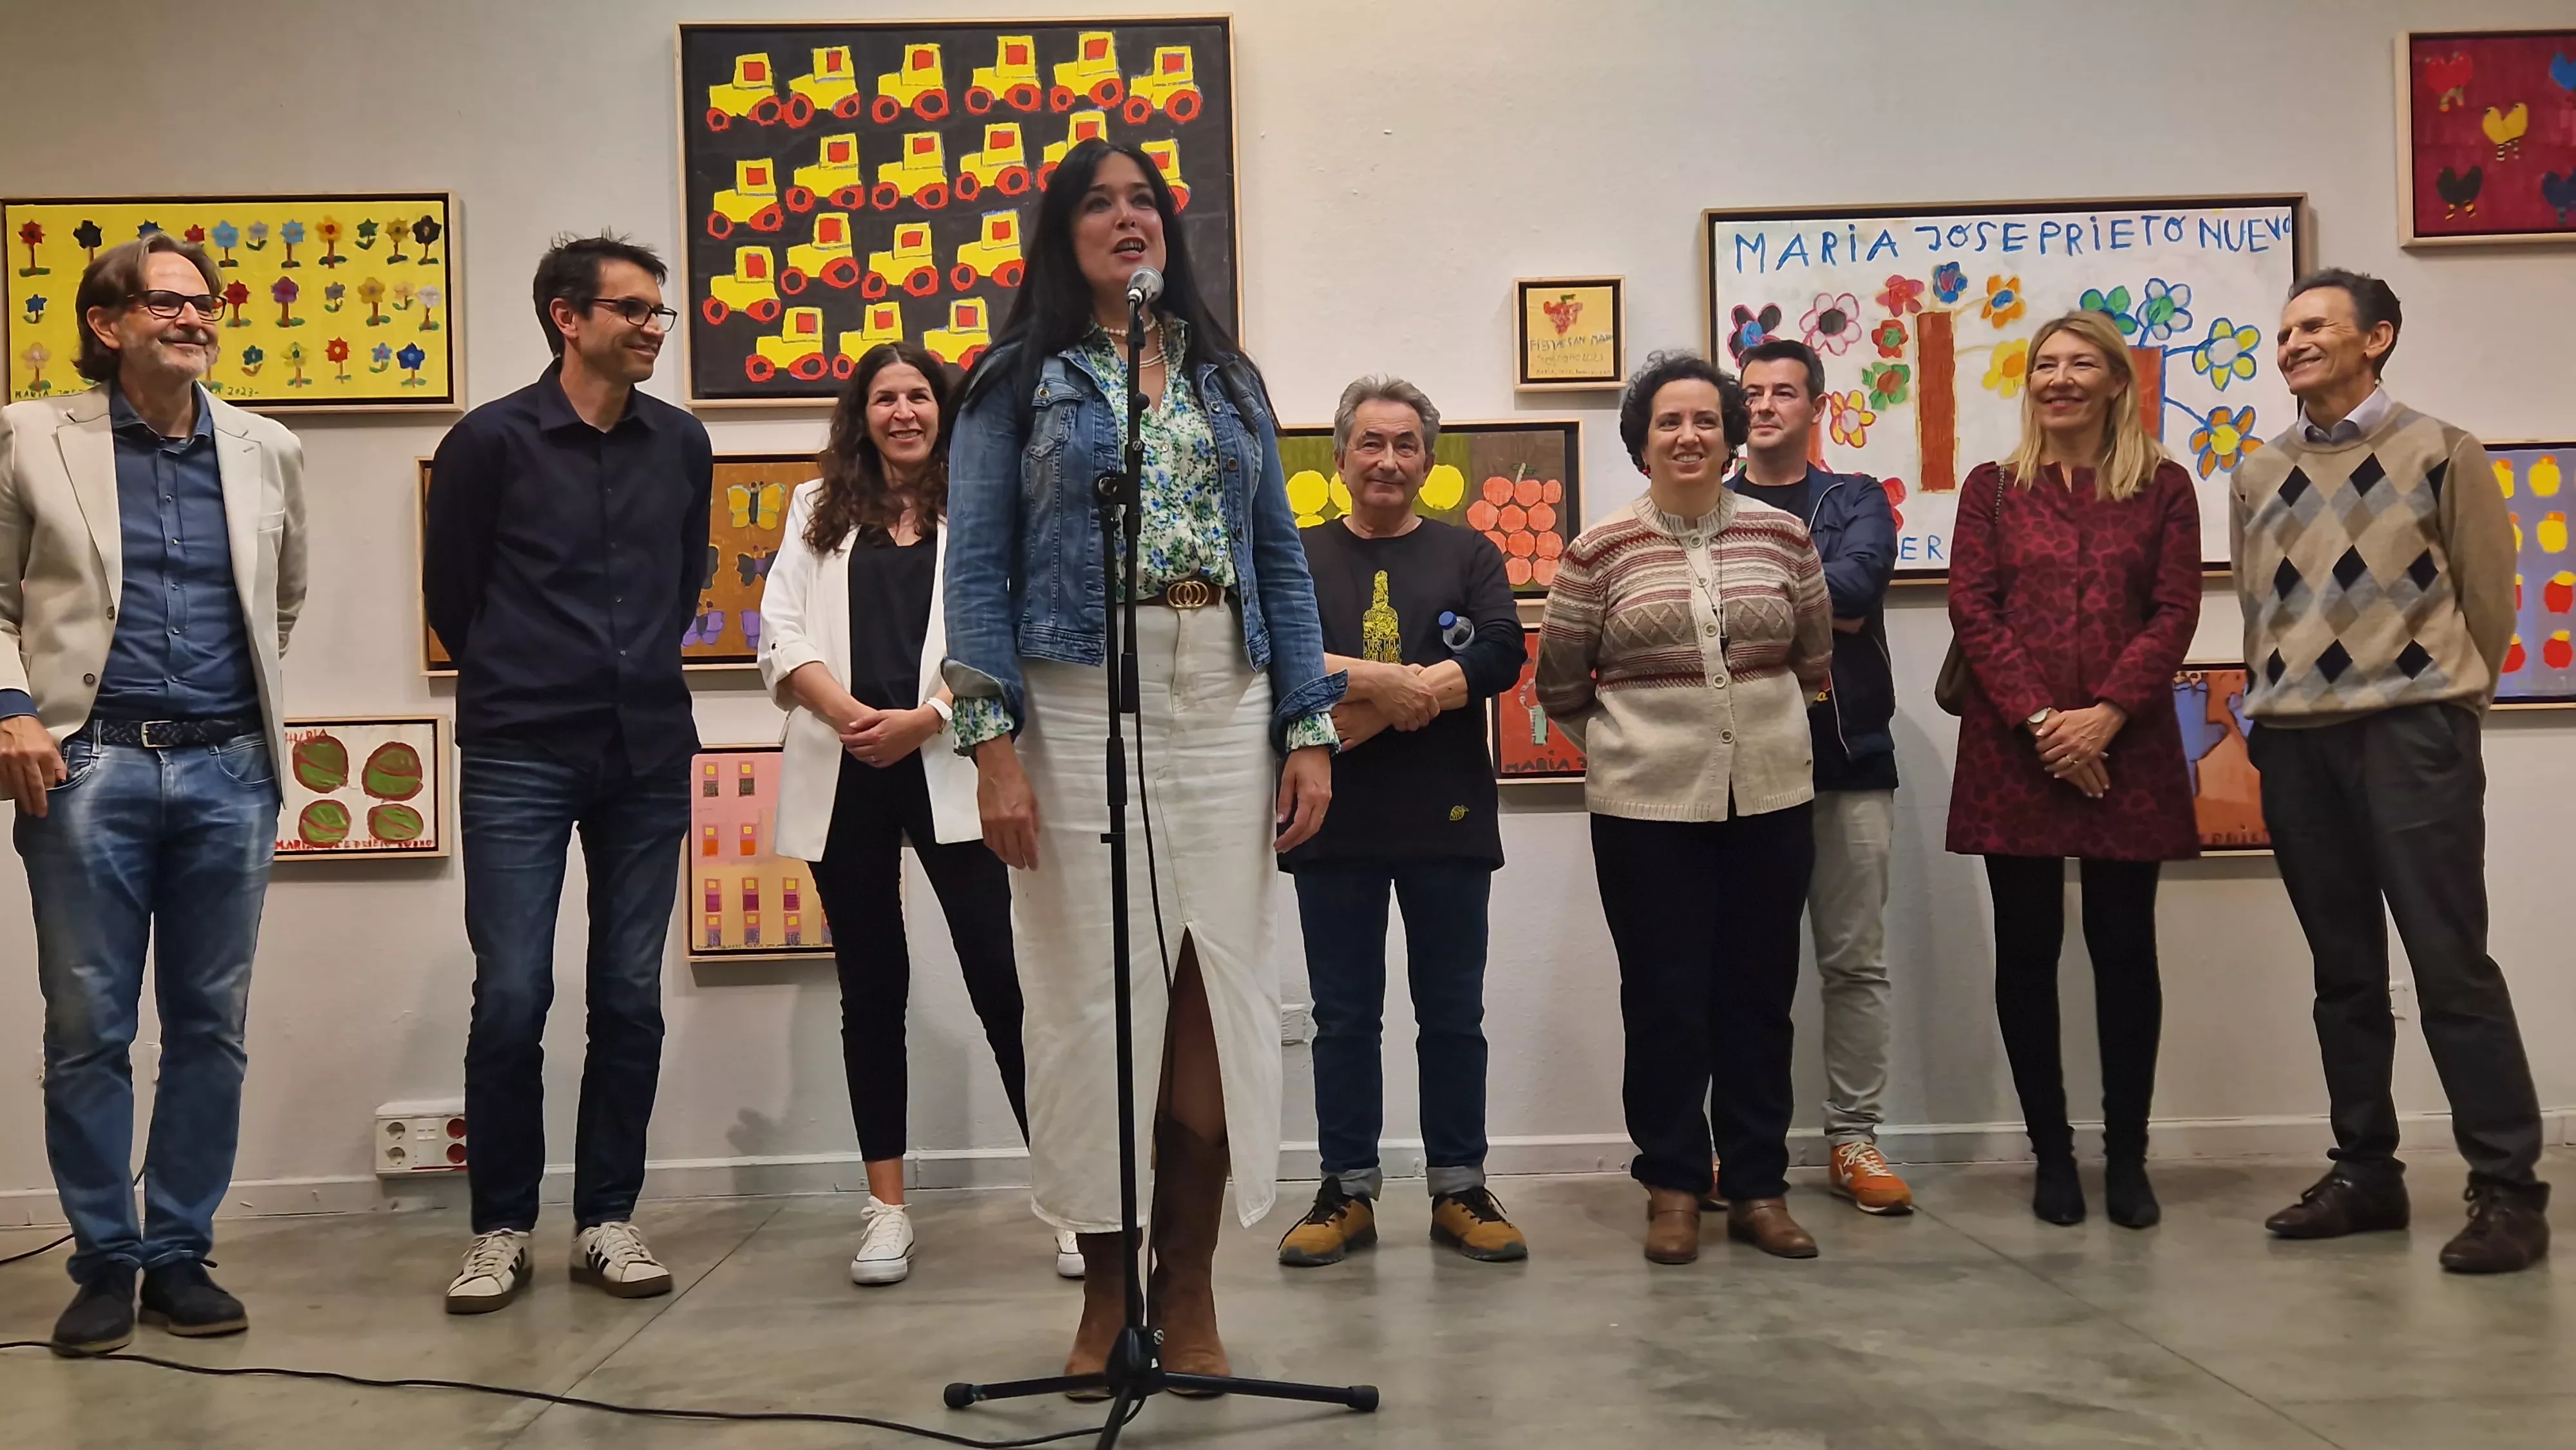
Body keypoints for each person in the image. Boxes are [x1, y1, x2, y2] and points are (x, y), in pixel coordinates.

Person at [943, 139, 1341, 1389]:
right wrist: (992, 750)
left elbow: (1278, 552)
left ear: (1168, 231)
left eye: (1143, 203)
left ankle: (1191, 1283)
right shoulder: (1016, 380)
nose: (1126, 219)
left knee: (1204, 994)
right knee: (1085, 997)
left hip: (1220, 687)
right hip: (1071, 696)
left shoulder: (1227, 378)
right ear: (1060, 235)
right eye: (1097, 204)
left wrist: (1304, 726)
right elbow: (977, 573)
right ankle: (1106, 1284)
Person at [1, 234, 307, 1354]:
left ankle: (178, 1252)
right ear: (108, 323)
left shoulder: (267, 446)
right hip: (90, 763)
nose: (196, 318)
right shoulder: (32, 435)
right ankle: (103, 1259)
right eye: (169, 302)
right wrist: (10, 708)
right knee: (87, 1026)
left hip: (231, 765)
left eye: (205, 302)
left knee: (210, 1025)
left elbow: (282, 601)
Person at [2233, 269, 2549, 1274]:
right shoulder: (2256, 470)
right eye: (2285, 332)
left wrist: (2444, 701)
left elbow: (2489, 603)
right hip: (2294, 740)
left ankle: (2508, 1189)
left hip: (2411, 734)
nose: (2294, 344)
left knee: (2451, 965)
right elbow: (2257, 607)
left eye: (2316, 326)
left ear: (2380, 338)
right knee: (2343, 976)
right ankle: (2367, 1174)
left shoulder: (2440, 450)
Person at [424, 236, 712, 1313]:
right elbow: (454, 598)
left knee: (629, 996)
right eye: (633, 310)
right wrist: (528, 670)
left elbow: (681, 584)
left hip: (645, 748)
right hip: (520, 748)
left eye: (659, 314)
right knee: (511, 994)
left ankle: (607, 1219)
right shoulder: (489, 442)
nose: (651, 328)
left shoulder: (681, 444)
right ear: (567, 317)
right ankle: (501, 1226)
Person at [757, 341, 1077, 1286]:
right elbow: (777, 630)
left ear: (946, 412)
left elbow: (1008, 628)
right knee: (872, 993)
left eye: (921, 396)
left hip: (953, 761)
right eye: (885, 397)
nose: (904, 411)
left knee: (1002, 985)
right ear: (862, 414)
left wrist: (930, 718)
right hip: (846, 759)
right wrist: (847, 712)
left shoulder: (982, 507)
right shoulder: (816, 512)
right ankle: (887, 1208)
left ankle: (1069, 1202)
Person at [1535, 350, 1832, 1265]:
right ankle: (1671, 1183)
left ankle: (1757, 1187)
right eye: (1669, 421)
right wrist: (1638, 747)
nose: (1689, 435)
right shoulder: (1599, 550)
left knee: (1758, 999)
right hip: (1645, 812)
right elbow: (1559, 684)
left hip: (1773, 799)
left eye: (1706, 419)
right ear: (1642, 442)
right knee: (1665, 1001)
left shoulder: (1784, 538)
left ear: (1732, 433)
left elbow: (1813, 665)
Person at [1945, 309, 2201, 1230]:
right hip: (2016, 748)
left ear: (2115, 382)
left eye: (2079, 363)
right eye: (2044, 364)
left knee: (2127, 950)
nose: (2058, 378)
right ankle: (2051, 1156)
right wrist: (2049, 725)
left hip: (2125, 747)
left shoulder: (2166, 487)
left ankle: (2125, 1159)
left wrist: (2105, 720)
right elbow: (1974, 610)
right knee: (2028, 950)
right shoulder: (1994, 489)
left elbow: (2175, 611)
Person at [1274, 377, 1529, 1268]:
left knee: (1453, 1014)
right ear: (1340, 456)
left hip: (1446, 814)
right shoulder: (1297, 554)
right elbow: (1276, 651)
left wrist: (1386, 703)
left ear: (1428, 459)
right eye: (1371, 443)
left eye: (1406, 444)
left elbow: (1501, 649)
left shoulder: (1469, 552)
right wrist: (1393, 681)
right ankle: (1346, 1190)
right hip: (1328, 817)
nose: (1388, 460)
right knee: (1344, 1017)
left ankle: (1459, 1186)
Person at [1725, 337, 1910, 1217]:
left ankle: (1854, 1140)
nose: (1764, 406)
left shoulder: (1854, 498)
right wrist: (1803, 605)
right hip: (1734, 769)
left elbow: (1859, 587)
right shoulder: (1704, 506)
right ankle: (1742, 1150)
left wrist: (1746, 602)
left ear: (1815, 407)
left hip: (1848, 763)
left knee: (1853, 964)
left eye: (1783, 393)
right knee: (1742, 970)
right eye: (1752, 392)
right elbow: (1690, 612)